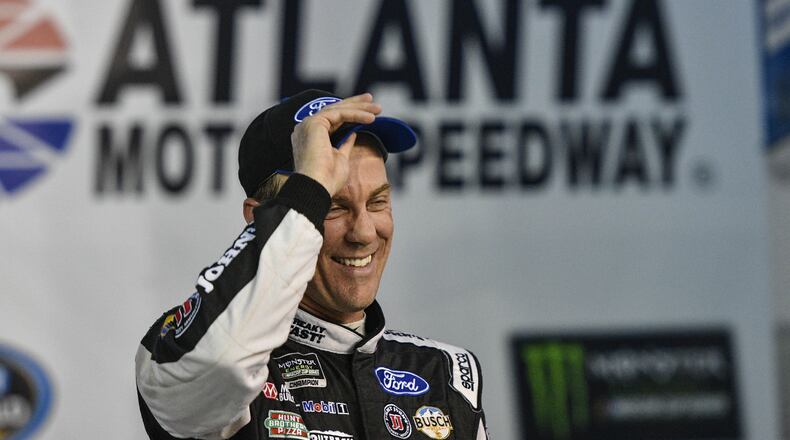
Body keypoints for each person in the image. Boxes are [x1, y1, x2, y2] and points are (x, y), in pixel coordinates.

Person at [135, 90, 489, 440]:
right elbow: (214, 365)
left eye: (378, 201)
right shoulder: (192, 355)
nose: (364, 233)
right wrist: (308, 190)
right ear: (259, 219)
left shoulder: (446, 373)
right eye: (332, 205)